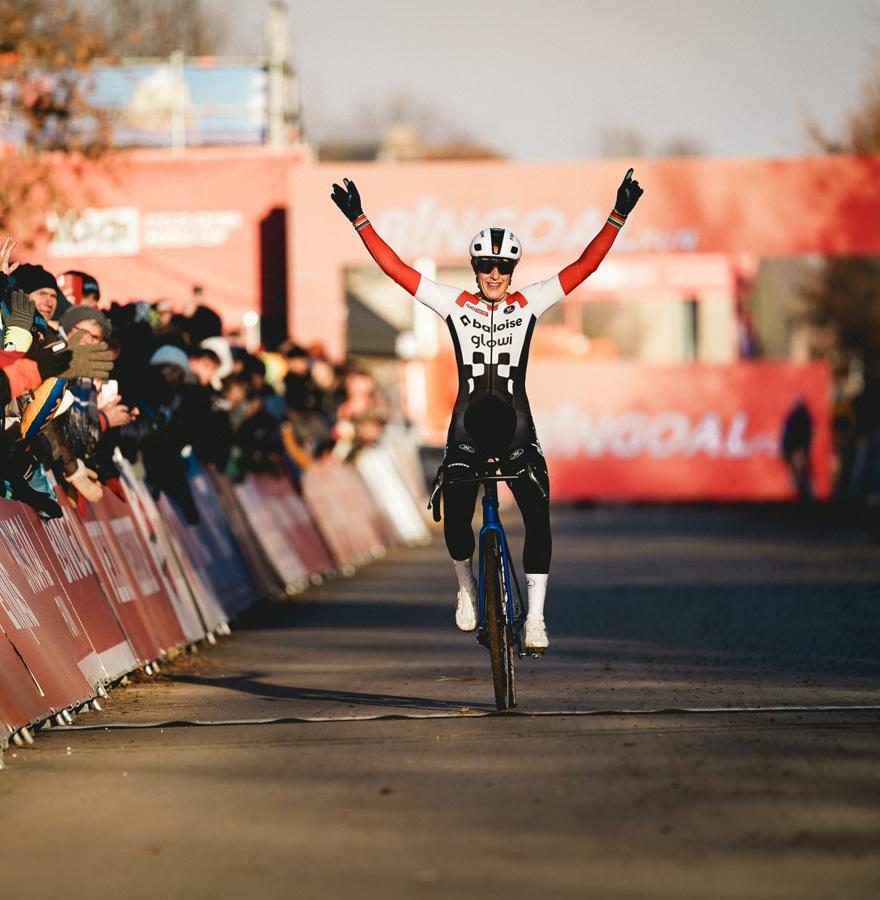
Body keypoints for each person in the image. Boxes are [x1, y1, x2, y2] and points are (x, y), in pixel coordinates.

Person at [331, 170, 643, 651]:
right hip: (467, 429)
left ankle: (536, 619)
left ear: (513, 271)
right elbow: (398, 271)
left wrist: (618, 215)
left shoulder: (530, 302)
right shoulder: (454, 304)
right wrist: (359, 220)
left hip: (516, 428)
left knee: (538, 515)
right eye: (485, 266)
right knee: (456, 518)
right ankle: (466, 588)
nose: (495, 274)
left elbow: (585, 266)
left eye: (503, 266)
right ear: (475, 268)